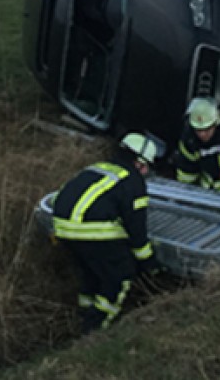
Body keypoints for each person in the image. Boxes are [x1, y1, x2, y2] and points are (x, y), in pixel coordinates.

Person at [51, 132, 163, 334]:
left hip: (62, 228)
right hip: (91, 231)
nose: (146, 173)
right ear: (138, 163)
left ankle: (85, 311)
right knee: (119, 276)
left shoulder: (98, 167)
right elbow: (137, 231)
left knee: (91, 273)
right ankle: (96, 330)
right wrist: (149, 264)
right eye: (146, 167)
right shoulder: (133, 181)